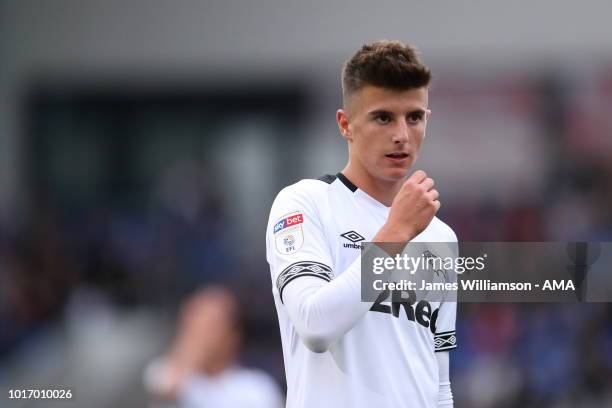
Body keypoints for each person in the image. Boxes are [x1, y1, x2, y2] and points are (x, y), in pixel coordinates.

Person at [265, 40, 457, 407]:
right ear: (345, 125)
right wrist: (395, 234)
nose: (401, 134)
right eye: (383, 117)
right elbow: (315, 326)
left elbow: (440, 384)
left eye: (414, 117)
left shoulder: (440, 236)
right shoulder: (304, 204)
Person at [143, 286, 284, 408]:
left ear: (233, 336)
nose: (200, 333)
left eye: (211, 326)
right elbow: (163, 391)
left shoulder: (256, 390)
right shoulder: (164, 373)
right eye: (193, 324)